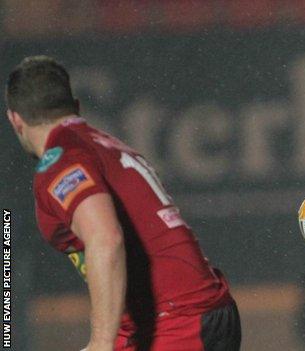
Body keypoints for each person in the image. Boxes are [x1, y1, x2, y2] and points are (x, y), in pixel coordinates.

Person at [5, 56, 241, 351]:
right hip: (186, 311)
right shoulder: (106, 146)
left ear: (14, 119)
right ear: (75, 106)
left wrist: (101, 343)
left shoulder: (62, 161)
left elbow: (105, 238)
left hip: (176, 320)